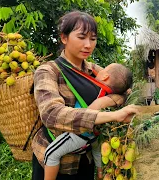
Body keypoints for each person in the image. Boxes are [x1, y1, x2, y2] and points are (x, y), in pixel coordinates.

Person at [32, 11, 138, 180]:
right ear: (64, 38)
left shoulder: (94, 70)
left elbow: (124, 90)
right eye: (81, 37)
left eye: (93, 39)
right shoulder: (48, 71)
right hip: (55, 164)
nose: (88, 45)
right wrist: (108, 113)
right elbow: (51, 114)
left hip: (84, 161)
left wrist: (107, 100)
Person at [43, 63, 133, 180]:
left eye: (103, 69)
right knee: (96, 149)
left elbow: (89, 113)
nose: (97, 71)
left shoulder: (95, 91)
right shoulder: (110, 92)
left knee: (50, 154)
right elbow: (96, 70)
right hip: (94, 135)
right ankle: (100, 172)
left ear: (105, 76)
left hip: (79, 135)